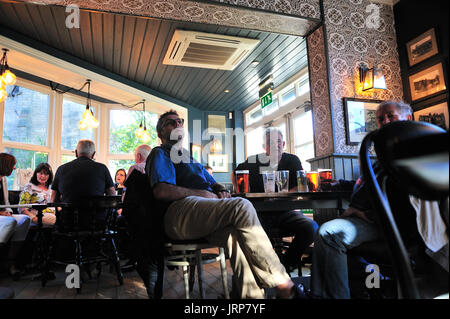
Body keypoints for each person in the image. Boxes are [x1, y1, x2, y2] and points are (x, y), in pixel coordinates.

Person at [147, 110, 305, 299]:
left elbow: (211, 181)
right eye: (169, 123)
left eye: (179, 122)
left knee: (235, 236)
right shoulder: (160, 153)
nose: (176, 125)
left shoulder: (189, 158)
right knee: (242, 205)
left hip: (202, 211)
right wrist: (203, 193)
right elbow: (162, 191)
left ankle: (251, 299)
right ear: (160, 133)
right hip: (178, 214)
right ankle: (284, 285)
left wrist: (220, 189)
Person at [310, 100, 417, 299]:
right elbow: (368, 184)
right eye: (380, 119)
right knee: (326, 236)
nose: (385, 121)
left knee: (329, 234)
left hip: (387, 224)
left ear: (407, 118)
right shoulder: (386, 153)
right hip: (369, 219)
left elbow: (402, 199)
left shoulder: (409, 152)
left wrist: (362, 212)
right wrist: (339, 184)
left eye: (390, 116)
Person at [231, 127, 318, 274]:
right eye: (270, 142)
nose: (275, 145)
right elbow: (235, 173)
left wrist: (283, 195)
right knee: (255, 236)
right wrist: (240, 189)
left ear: (283, 144)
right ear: (264, 146)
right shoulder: (254, 160)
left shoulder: (292, 160)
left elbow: (300, 184)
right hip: (260, 213)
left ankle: (285, 265)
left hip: (287, 212)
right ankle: (265, 271)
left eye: (278, 141)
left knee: (311, 227)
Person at [50, 139, 116, 225]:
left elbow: (52, 200)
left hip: (68, 221)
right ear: (93, 154)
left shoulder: (61, 169)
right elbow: (112, 195)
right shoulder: (102, 168)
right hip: (96, 222)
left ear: (76, 153)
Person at [0, 153, 31, 280]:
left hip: (3, 214)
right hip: (0, 215)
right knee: (11, 222)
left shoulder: (4, 179)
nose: (14, 168)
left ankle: (11, 261)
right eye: (13, 165)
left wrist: (9, 213)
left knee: (24, 219)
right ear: (5, 165)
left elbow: (6, 202)